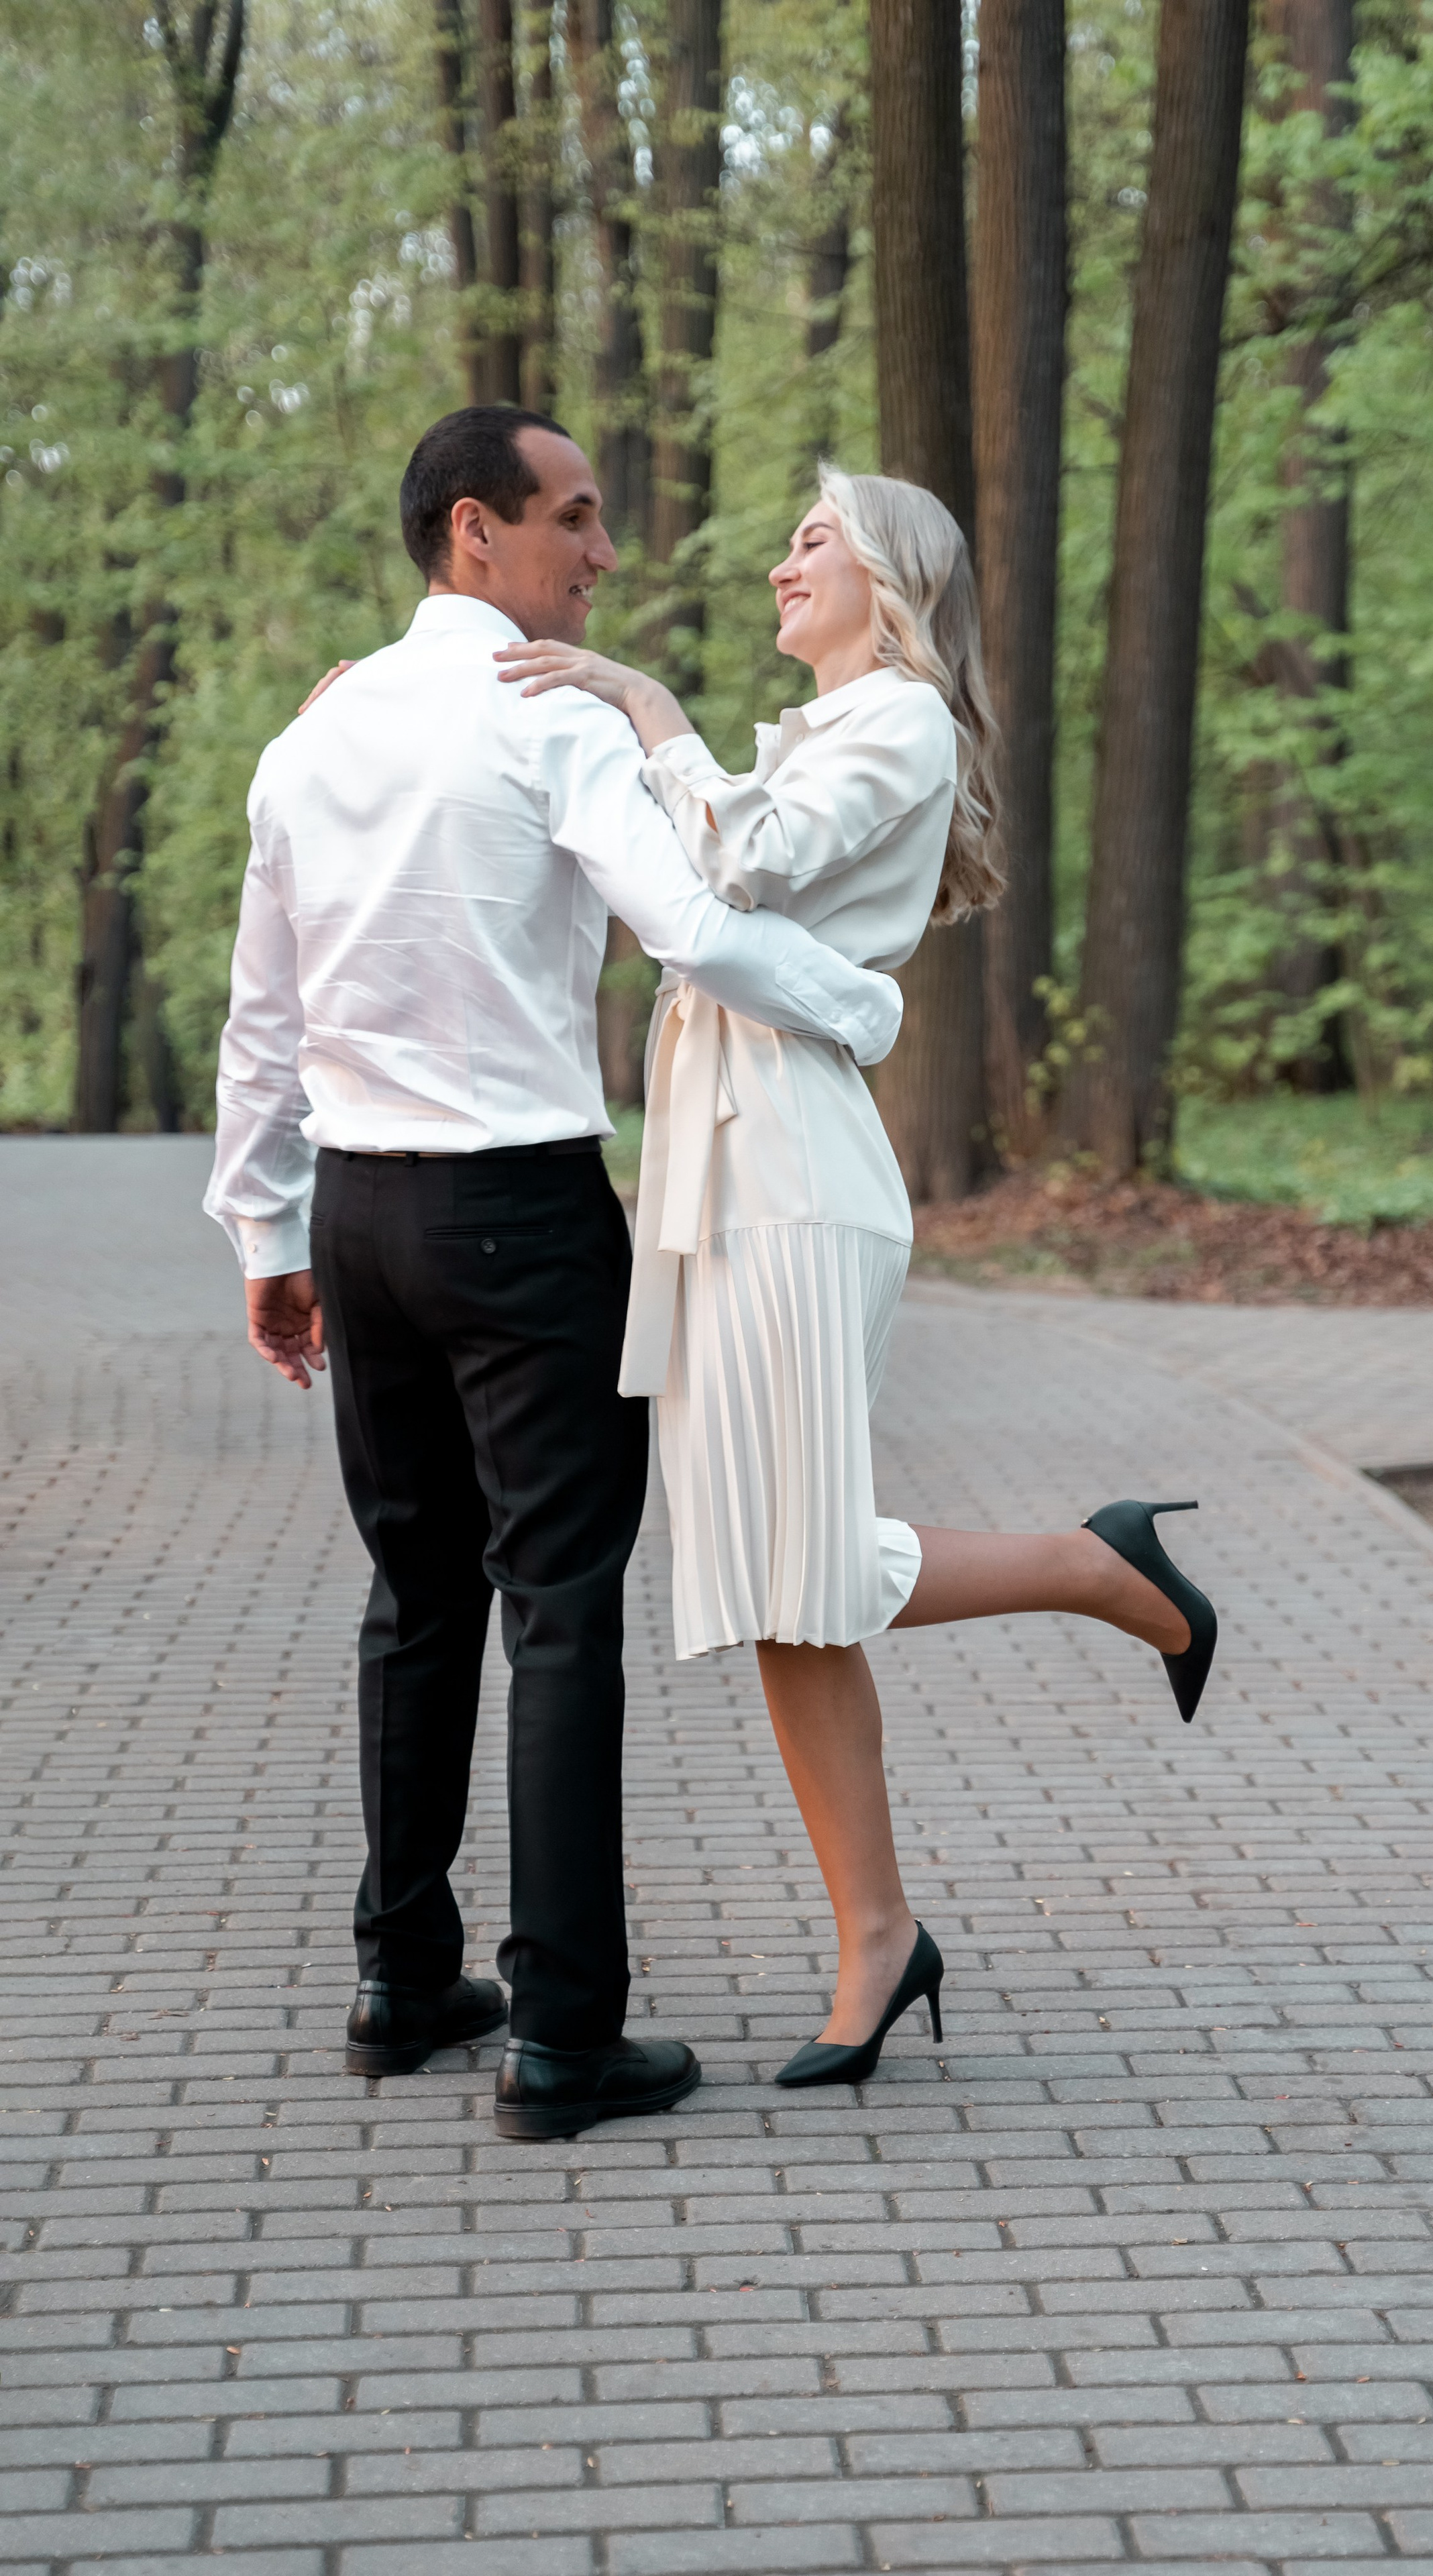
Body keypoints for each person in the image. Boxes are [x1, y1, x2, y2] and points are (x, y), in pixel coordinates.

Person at [204, 407, 910, 2143]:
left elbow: (263, 1019)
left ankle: (400, 1978)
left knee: (415, 1592)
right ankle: (562, 2038)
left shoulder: (316, 736)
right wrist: (868, 1005)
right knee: (558, 1607)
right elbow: (692, 923)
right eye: (576, 520)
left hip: (361, 1218)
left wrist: (268, 1238)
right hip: (520, 1218)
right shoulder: (547, 715)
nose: (602, 555)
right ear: (475, 533)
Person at [486, 465, 1219, 2090]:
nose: (776, 562)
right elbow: (669, 856)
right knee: (771, 1591)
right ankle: (877, 1936)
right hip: (718, 1162)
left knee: (801, 1563)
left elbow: (733, 869)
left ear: (890, 576)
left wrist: (647, 699)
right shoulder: (816, 735)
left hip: (797, 1173)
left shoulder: (894, 721)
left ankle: (1102, 1572)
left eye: (809, 538)